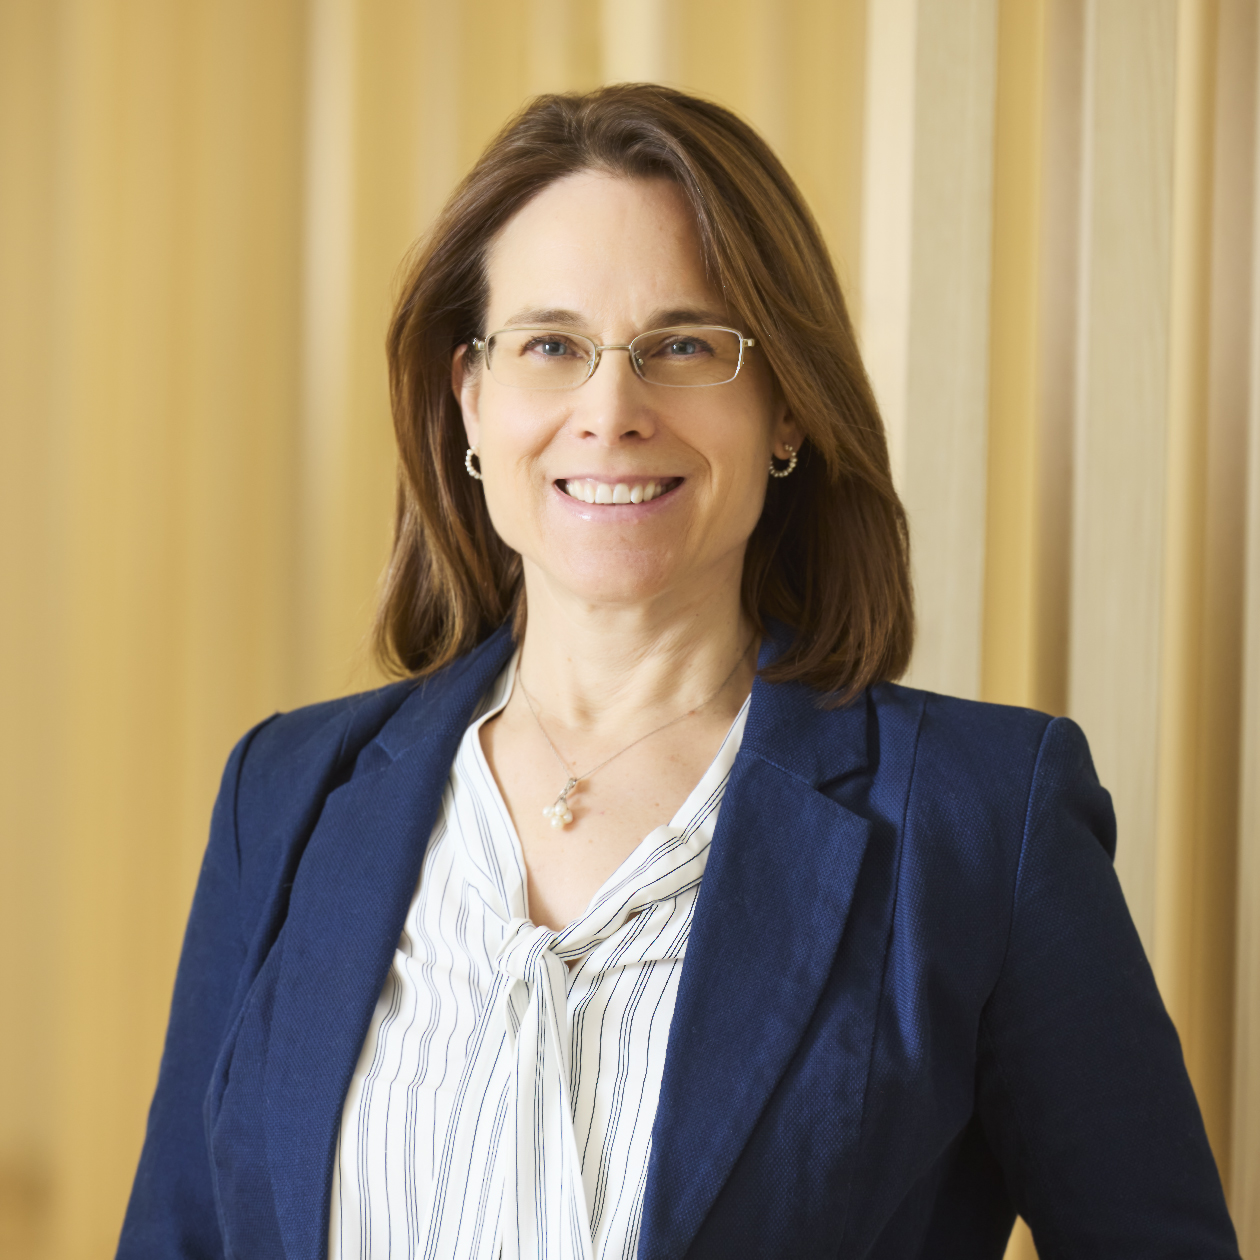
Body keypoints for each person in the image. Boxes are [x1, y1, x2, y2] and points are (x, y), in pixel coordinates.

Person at [117, 84, 1239, 1260]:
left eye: (685, 347)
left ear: (787, 408)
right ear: (471, 397)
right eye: (550, 345)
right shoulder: (285, 796)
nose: (611, 411)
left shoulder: (980, 823)